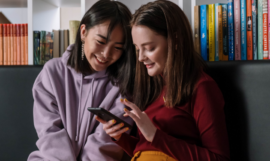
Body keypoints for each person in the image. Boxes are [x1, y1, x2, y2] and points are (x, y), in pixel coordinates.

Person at [97, 0, 230, 161]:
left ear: (175, 41)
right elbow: (148, 150)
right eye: (138, 49)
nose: (140, 57)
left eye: (150, 48)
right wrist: (120, 137)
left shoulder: (201, 87)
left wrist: (155, 136)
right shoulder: (152, 87)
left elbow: (219, 158)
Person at [28, 0, 135, 160]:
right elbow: (49, 133)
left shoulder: (124, 85)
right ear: (83, 32)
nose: (106, 54)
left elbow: (105, 145)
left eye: (117, 47)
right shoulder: (52, 72)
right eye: (100, 42)